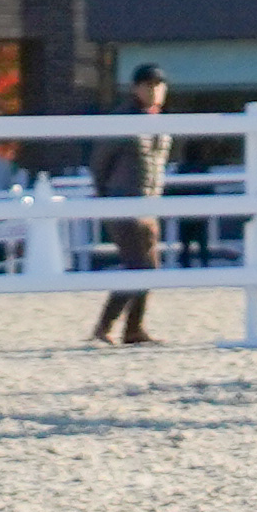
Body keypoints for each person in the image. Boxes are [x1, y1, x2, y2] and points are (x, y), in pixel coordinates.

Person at [89, 66, 172, 348]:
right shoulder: (122, 120)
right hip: (123, 201)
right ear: (135, 88)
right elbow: (100, 163)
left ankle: (134, 328)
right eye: (148, 85)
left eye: (159, 85)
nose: (154, 90)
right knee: (140, 266)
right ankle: (106, 326)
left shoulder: (161, 122)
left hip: (149, 205)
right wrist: (107, 198)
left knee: (149, 267)